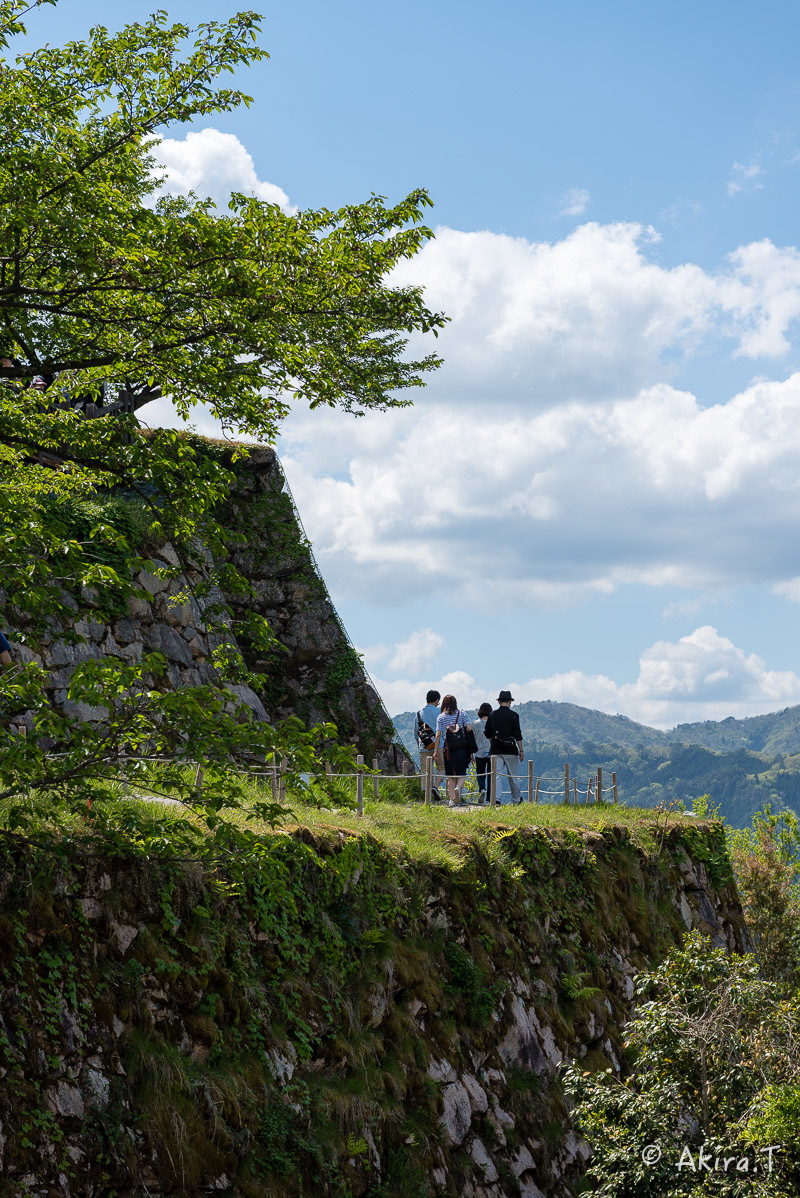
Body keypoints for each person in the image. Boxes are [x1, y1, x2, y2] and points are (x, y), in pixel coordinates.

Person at [484, 690, 523, 804]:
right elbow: (518, 735)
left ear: (498, 701)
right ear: (510, 701)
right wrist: (521, 750)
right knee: (513, 776)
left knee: (496, 776)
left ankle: (496, 799)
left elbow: (487, 732)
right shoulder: (514, 716)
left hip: (496, 749)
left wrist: (493, 741)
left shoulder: (492, 715)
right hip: (511, 750)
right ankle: (516, 799)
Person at [434, 694, 473, 807]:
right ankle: (458, 788)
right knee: (461, 773)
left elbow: (438, 734)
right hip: (462, 748)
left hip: (448, 750)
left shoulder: (441, 717)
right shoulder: (462, 714)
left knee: (451, 776)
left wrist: (436, 751)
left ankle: (452, 800)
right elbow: (469, 728)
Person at [414, 689, 443, 800]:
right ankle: (435, 787)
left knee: (426, 772)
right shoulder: (439, 712)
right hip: (438, 745)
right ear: (436, 700)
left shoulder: (418, 714)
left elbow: (416, 734)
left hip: (424, 747)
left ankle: (427, 799)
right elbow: (442, 732)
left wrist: (422, 745)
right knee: (442, 768)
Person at [473, 702, 493, 804]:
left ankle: (482, 789)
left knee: (480, 773)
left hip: (478, 752)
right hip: (491, 752)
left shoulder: (475, 723)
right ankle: (490, 798)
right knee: (491, 775)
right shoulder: (493, 722)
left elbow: (473, 739)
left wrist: (471, 753)